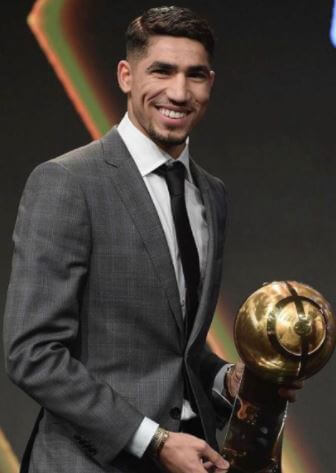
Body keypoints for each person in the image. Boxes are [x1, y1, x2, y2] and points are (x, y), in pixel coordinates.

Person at [3, 6, 301, 473]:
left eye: (195, 75)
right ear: (125, 75)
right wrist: (155, 440)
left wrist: (228, 380)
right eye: (161, 71)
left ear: (211, 83)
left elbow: (177, 348)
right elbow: (33, 355)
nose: (179, 92)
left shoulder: (212, 194)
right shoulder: (67, 182)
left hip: (194, 457)